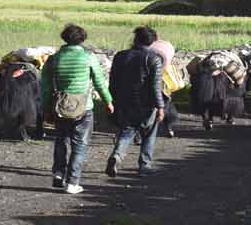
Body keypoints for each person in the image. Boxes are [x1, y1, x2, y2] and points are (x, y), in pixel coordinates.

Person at [40, 23, 113, 194]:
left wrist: (46, 109)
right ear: (82, 39)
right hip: (84, 108)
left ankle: (58, 173)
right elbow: (100, 83)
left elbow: (45, 87)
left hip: (60, 107)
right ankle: (72, 182)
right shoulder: (89, 57)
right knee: (79, 145)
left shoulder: (54, 59)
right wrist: (108, 101)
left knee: (61, 141)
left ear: (64, 38)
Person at [106, 26, 165, 178]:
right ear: (152, 42)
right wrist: (160, 106)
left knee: (127, 129)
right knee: (149, 134)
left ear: (135, 39)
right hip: (146, 103)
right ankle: (144, 166)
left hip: (124, 101)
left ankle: (117, 155)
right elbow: (155, 86)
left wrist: (112, 100)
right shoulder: (154, 58)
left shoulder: (120, 55)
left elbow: (113, 81)